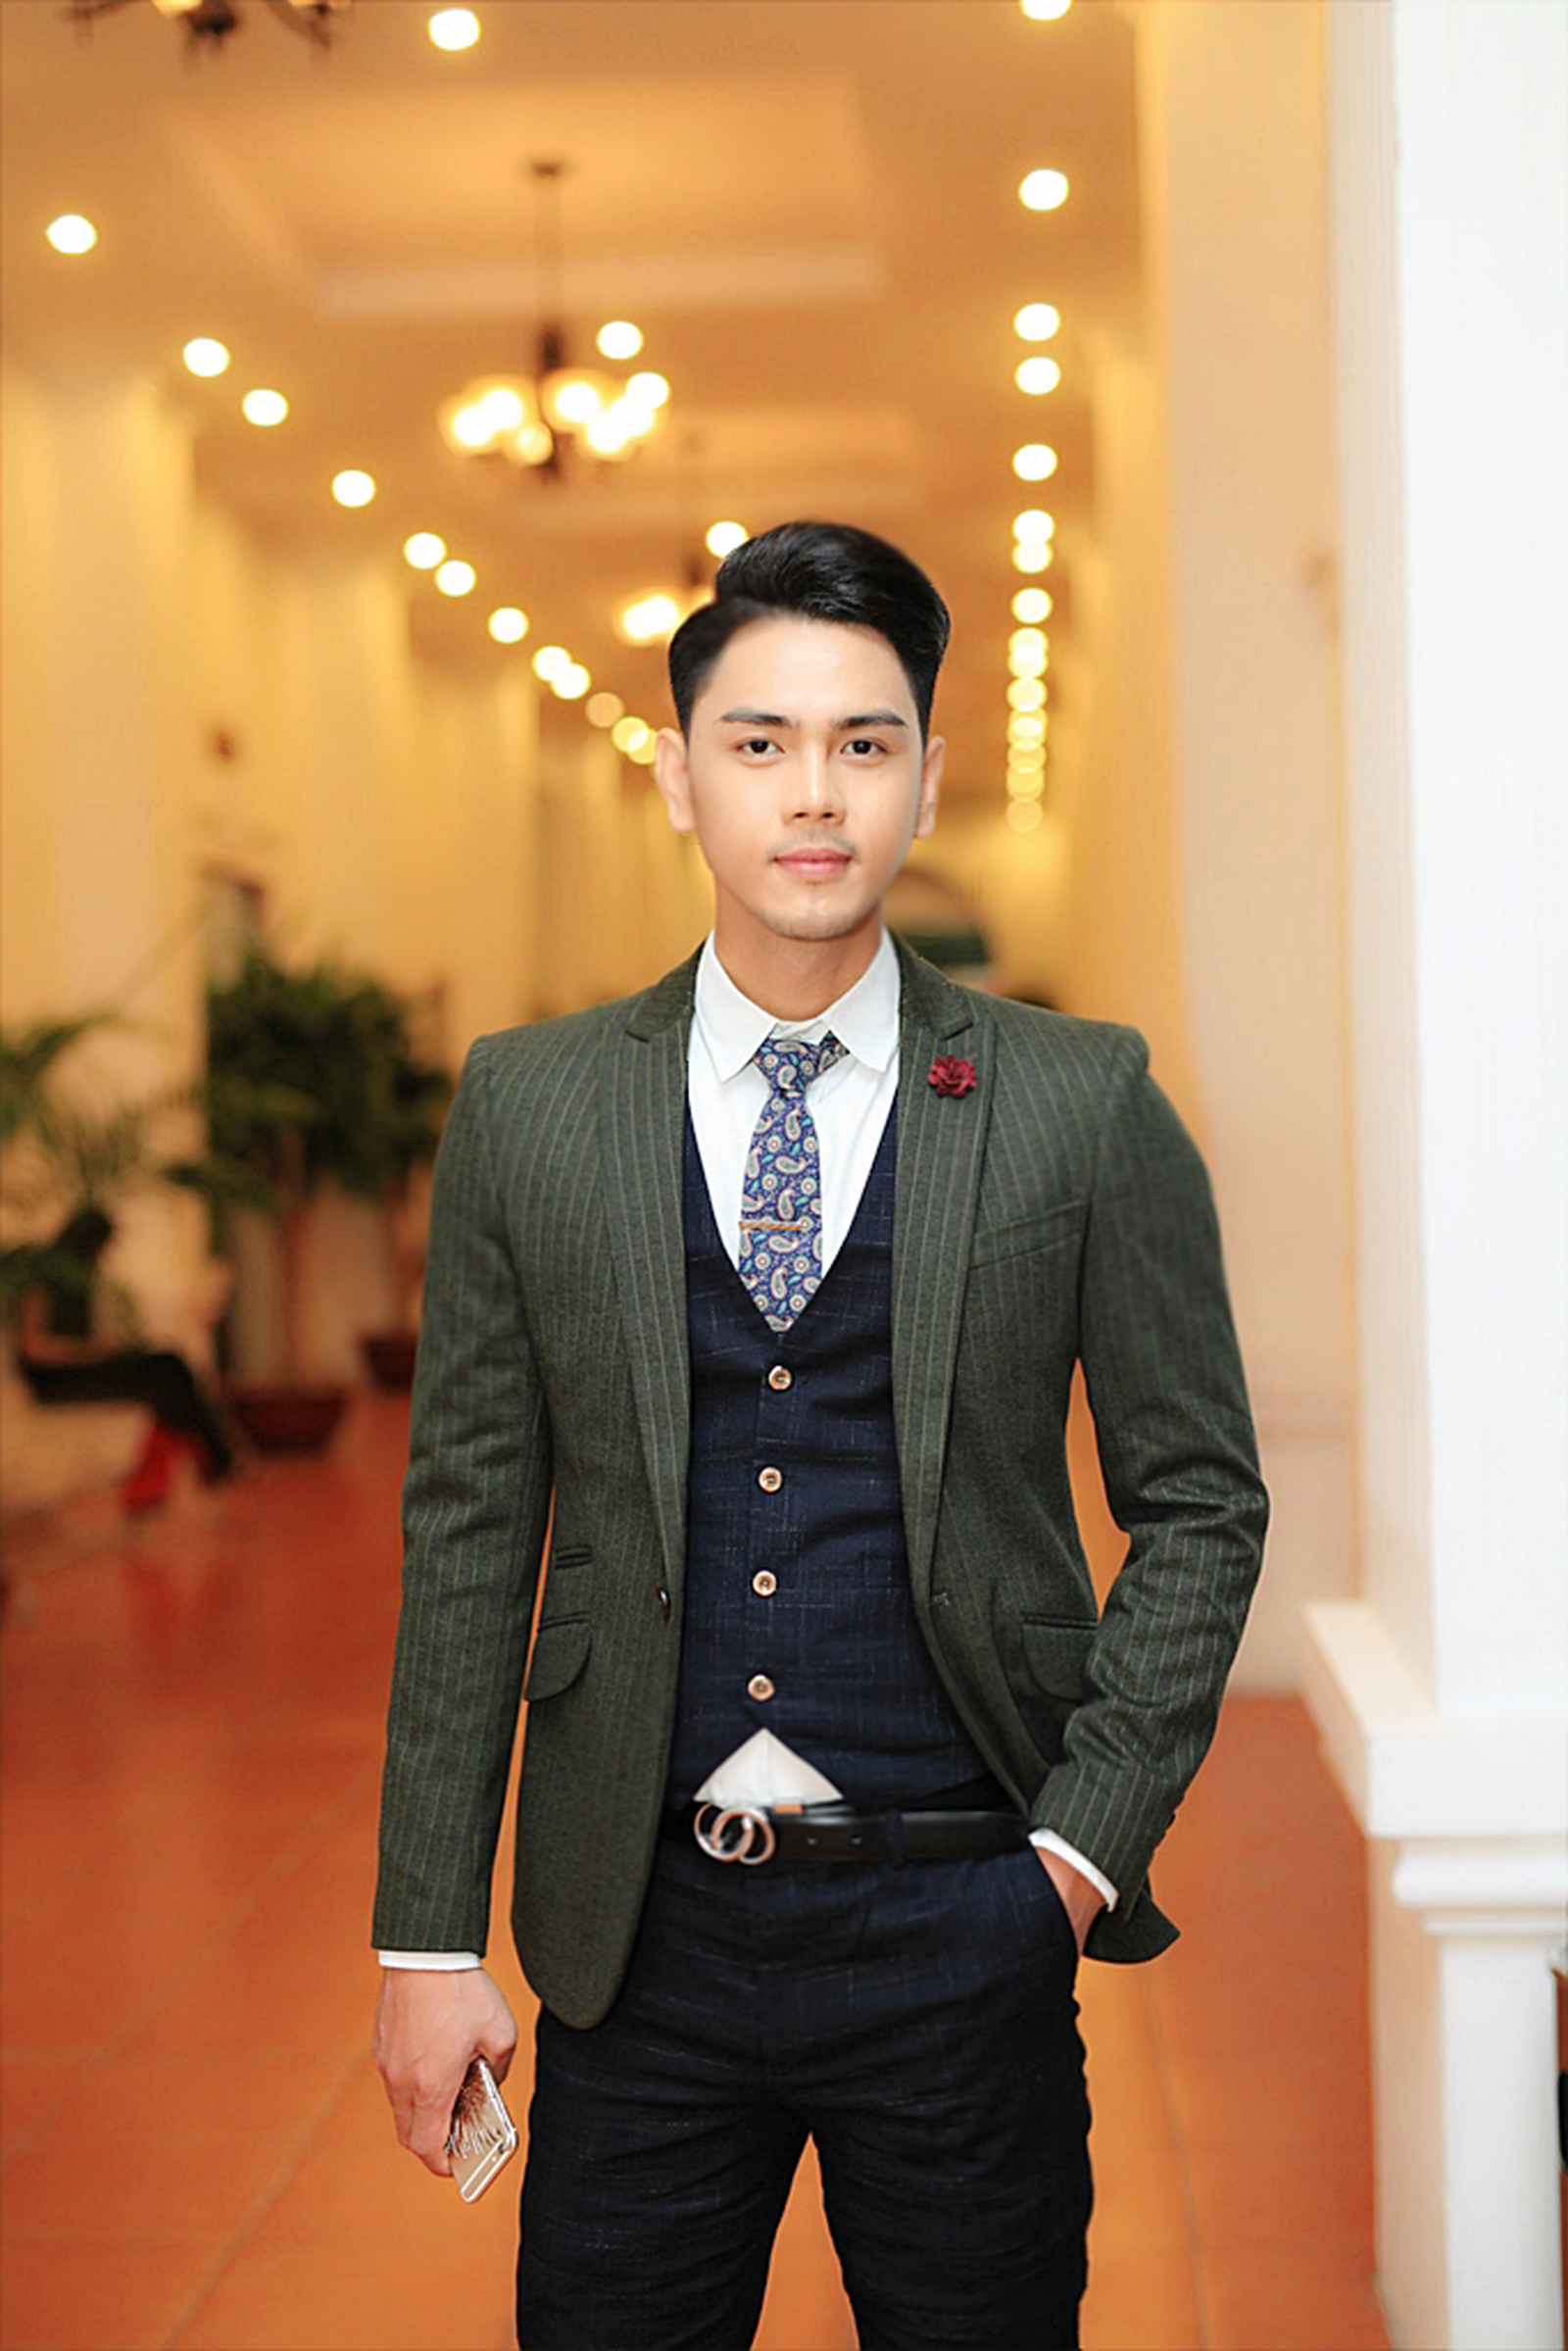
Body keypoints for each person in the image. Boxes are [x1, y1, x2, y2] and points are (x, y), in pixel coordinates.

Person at [372, 520, 1268, 2350]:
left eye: (864, 742)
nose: (812, 791)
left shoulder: (1080, 1100)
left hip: (964, 1909)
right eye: (760, 740)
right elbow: (468, 1523)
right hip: (640, 1929)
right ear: (679, 775)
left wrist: (1076, 1857)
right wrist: (426, 1933)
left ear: (928, 778)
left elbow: (1201, 1500)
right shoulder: (533, 1106)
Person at [13, 1205, 236, 1511]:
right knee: (168, 1378)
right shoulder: (45, 1276)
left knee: (169, 1370)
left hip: (78, 1366)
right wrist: (91, 1353)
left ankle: (199, 1464)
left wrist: (107, 1348)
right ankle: (215, 1458)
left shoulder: (81, 1277)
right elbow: (34, 1348)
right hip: (52, 1378)